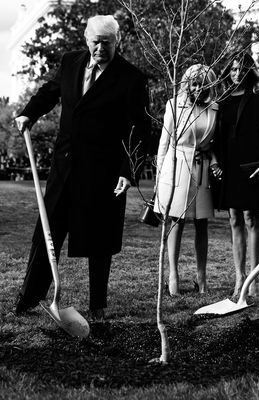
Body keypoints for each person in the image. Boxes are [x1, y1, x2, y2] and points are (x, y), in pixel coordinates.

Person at [14, 15, 150, 320]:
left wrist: (129, 171)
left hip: (103, 172)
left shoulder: (131, 78)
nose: (100, 48)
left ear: (118, 42)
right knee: (46, 233)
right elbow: (50, 91)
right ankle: (29, 299)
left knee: (99, 239)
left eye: (107, 42)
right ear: (85, 39)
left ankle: (97, 305)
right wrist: (29, 114)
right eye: (95, 41)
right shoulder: (70, 62)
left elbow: (140, 130)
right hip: (65, 165)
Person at [212, 52, 259, 297]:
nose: (236, 73)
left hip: (251, 162)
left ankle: (254, 275)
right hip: (229, 163)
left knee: (251, 217)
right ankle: (239, 275)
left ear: (249, 70)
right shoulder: (223, 96)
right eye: (233, 69)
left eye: (241, 69)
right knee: (234, 219)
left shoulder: (258, 92)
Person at [154, 64, 218, 296]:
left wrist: (213, 162)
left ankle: (201, 277)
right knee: (176, 221)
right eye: (194, 83)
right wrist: (160, 175)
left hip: (201, 170)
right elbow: (164, 142)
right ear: (187, 85)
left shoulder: (214, 109)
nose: (199, 88)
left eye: (204, 83)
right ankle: (173, 275)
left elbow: (212, 145)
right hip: (176, 167)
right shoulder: (174, 106)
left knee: (202, 223)